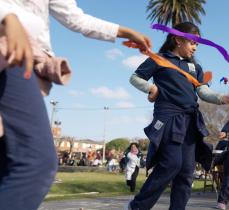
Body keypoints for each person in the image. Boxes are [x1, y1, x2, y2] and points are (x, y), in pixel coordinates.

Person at [0, 1, 151, 210]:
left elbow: (75, 18)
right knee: (36, 163)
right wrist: (7, 16)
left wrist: (124, 32)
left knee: (10, 164)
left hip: (25, 57)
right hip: (10, 52)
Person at [126, 22, 229, 210]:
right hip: (168, 118)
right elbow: (135, 78)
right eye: (193, 42)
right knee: (171, 164)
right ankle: (137, 206)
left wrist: (223, 98)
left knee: (186, 172)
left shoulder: (195, 68)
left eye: (197, 44)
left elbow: (203, 92)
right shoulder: (159, 59)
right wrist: (151, 87)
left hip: (190, 121)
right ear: (178, 39)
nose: (195, 47)